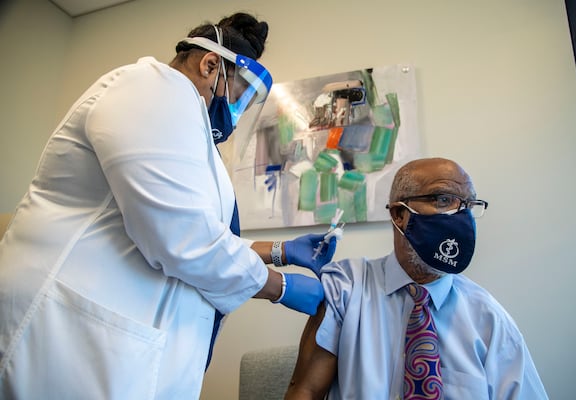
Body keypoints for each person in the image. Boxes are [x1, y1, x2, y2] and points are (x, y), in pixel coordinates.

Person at [0, 12, 338, 400]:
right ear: (210, 65)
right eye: (239, 93)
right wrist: (282, 288)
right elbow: (184, 238)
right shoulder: (153, 89)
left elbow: (198, 235)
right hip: (65, 336)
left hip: (118, 345)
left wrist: (281, 252)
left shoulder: (186, 125)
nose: (237, 110)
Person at [285, 157, 548, 400]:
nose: (460, 216)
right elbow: (306, 391)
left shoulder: (489, 320)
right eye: (443, 200)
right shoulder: (346, 289)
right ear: (399, 214)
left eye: (469, 205)